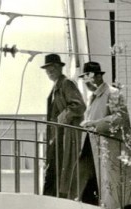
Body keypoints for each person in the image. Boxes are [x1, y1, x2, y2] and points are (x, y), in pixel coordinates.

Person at [77, 61, 131, 209]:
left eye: (89, 76)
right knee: (96, 194)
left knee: (126, 202)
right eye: (84, 78)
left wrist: (95, 124)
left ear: (99, 76)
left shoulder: (112, 93)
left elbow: (121, 118)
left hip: (112, 156)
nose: (87, 81)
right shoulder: (93, 99)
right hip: (96, 156)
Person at [41, 53, 86, 199]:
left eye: (52, 68)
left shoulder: (66, 83)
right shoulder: (56, 87)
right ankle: (50, 202)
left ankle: (54, 202)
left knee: (60, 173)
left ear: (59, 68)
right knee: (52, 173)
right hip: (56, 137)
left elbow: (79, 106)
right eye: (47, 69)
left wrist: (62, 118)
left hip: (64, 136)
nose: (49, 72)